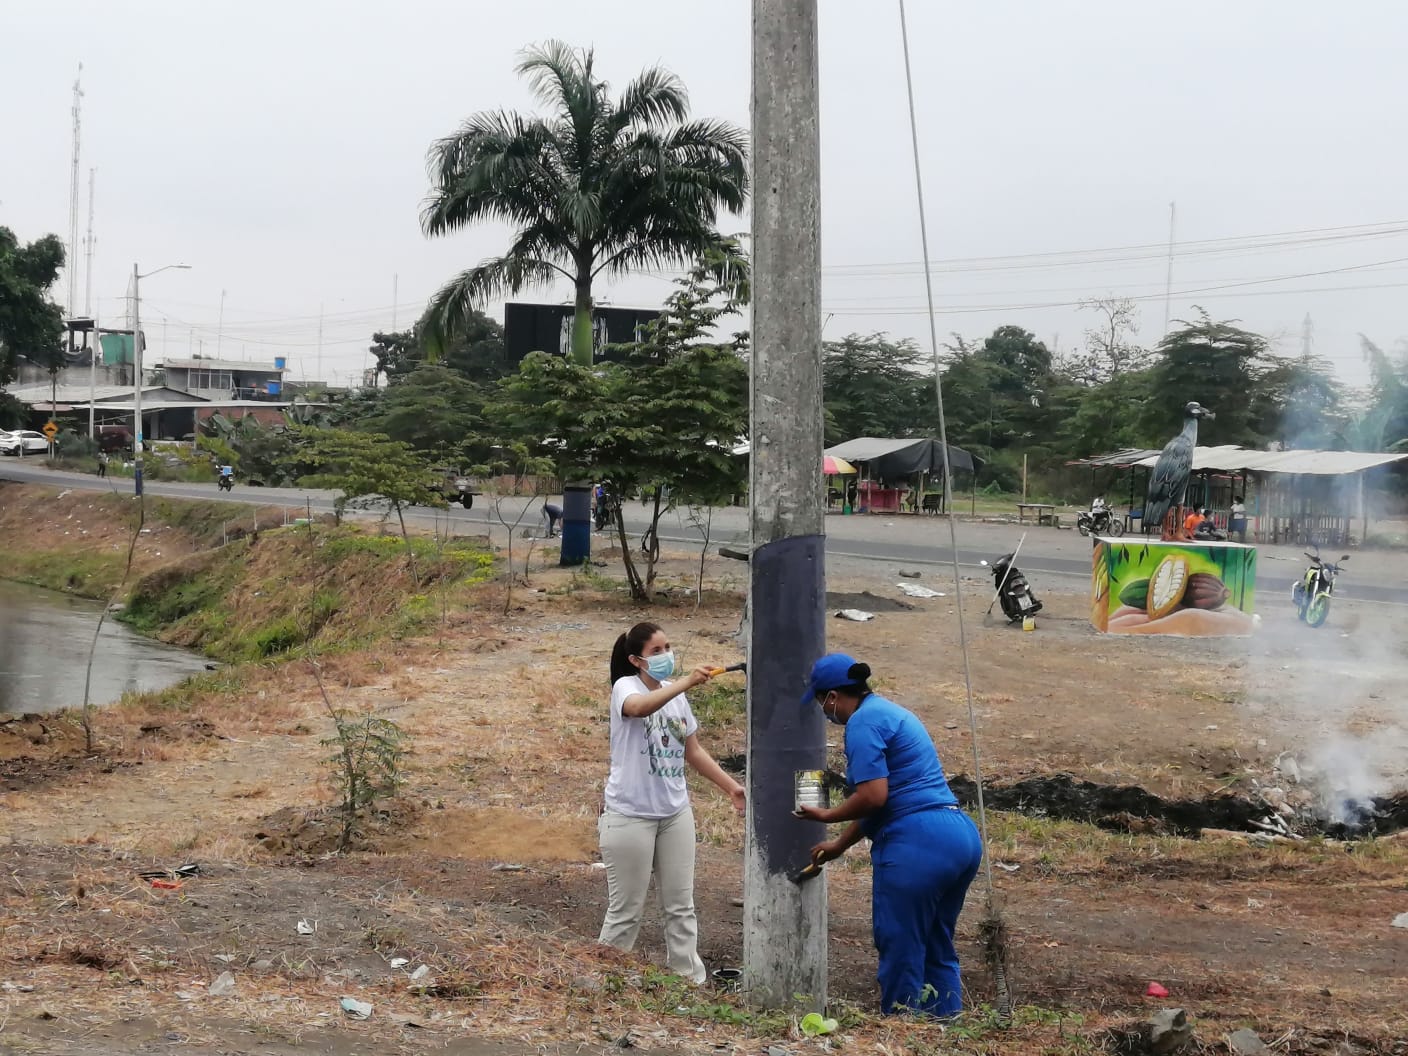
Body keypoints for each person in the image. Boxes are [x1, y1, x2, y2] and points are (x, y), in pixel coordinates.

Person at [796, 654, 982, 1018]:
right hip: (957, 835)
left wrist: (827, 815)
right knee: (936, 946)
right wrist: (838, 846)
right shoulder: (889, 711)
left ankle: (903, 1030)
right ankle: (946, 1032)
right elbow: (885, 803)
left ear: (832, 696)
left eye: (820, 702)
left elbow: (873, 797)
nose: (823, 711)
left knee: (901, 945)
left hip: (918, 843)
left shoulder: (862, 723)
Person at [599, 622, 746, 983]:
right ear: (636, 660)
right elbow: (639, 709)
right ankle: (603, 981)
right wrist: (686, 682)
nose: (666, 655)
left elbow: (692, 750)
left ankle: (687, 982)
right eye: (656, 651)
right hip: (629, 816)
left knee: (681, 907)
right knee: (626, 912)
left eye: (667, 647)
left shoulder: (676, 696)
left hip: (674, 814)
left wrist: (731, 787)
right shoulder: (625, 688)